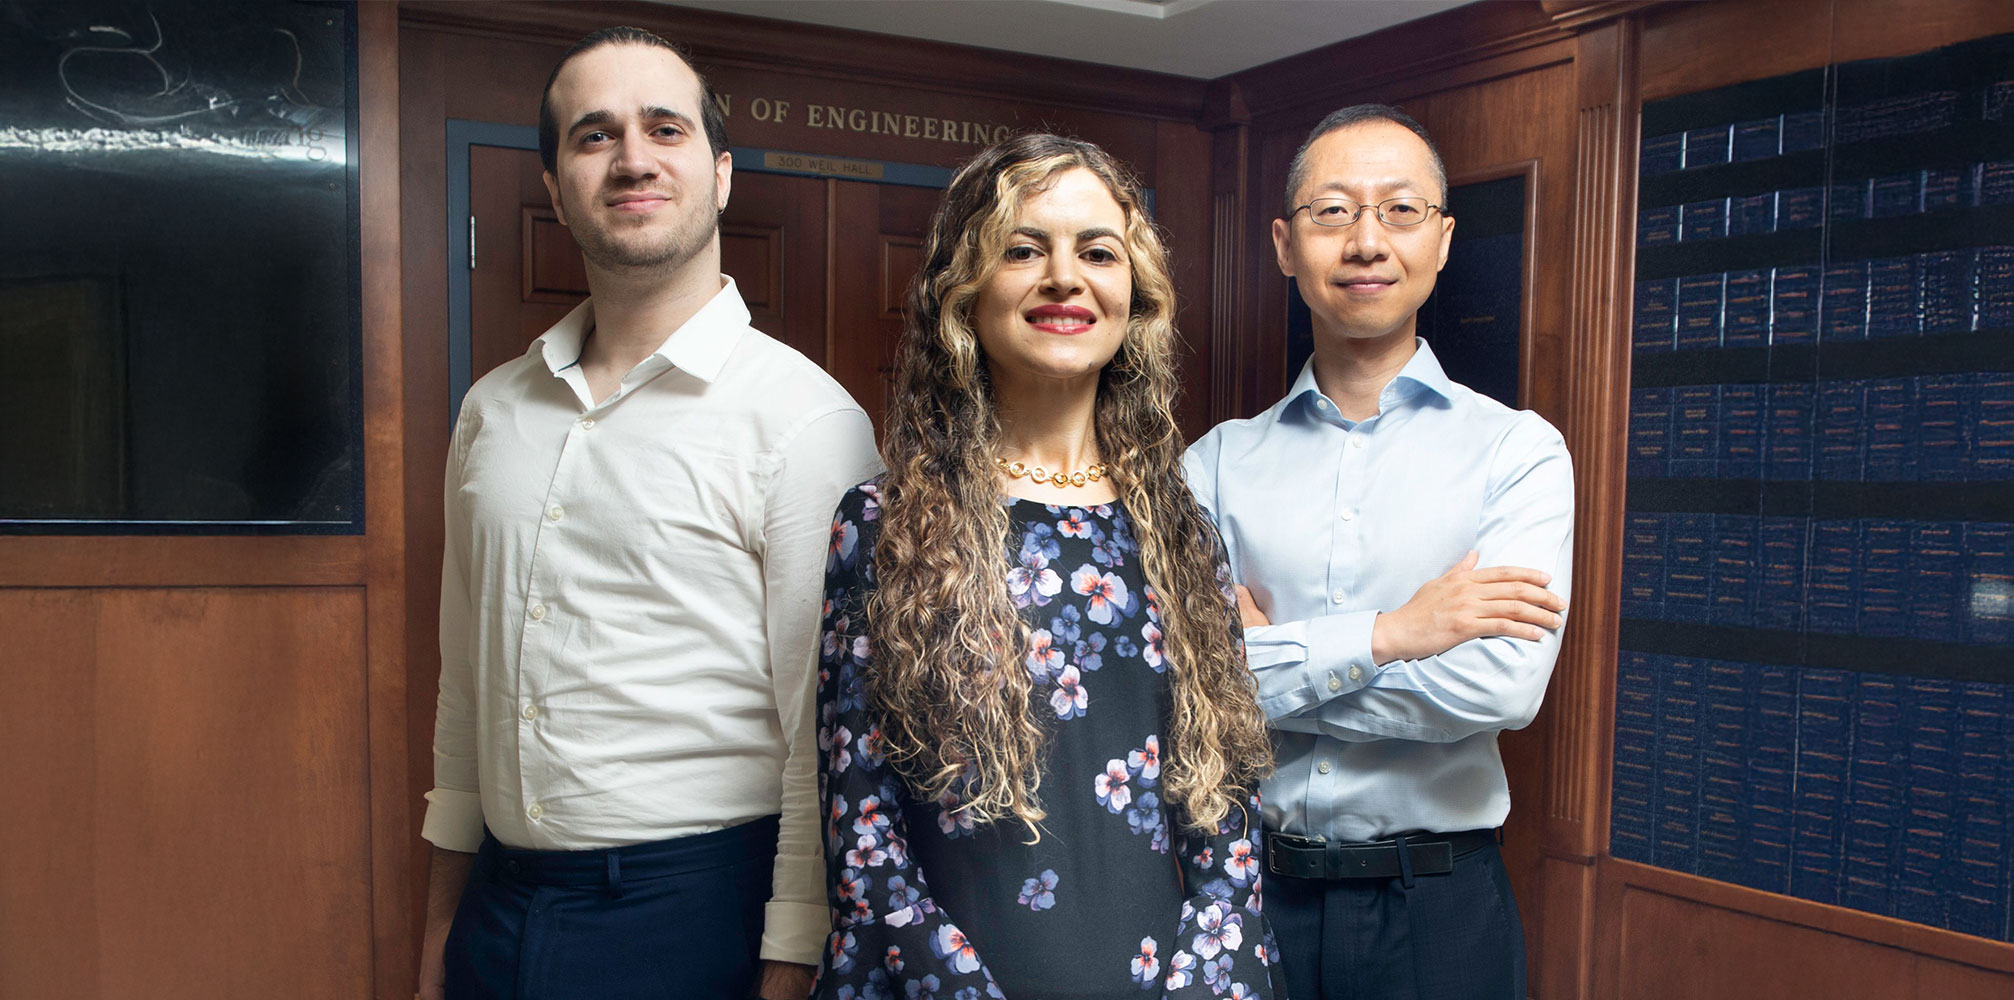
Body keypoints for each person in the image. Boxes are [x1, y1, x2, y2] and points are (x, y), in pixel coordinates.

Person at [417, 27, 879, 1000]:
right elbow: (465, 700)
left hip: (696, 914)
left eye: (663, 129)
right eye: (594, 135)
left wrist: (789, 968)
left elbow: (826, 745)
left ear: (717, 175)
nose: (631, 157)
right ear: (554, 187)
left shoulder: (805, 421)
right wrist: (438, 945)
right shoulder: (490, 412)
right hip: (497, 910)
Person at [812, 133, 1287, 999]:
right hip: (948, 981)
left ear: (1131, 295)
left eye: (1097, 252)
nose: (1065, 277)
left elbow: (1227, 805)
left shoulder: (1182, 529)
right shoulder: (883, 525)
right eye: (1024, 249)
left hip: (1166, 978)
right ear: (964, 291)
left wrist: (1202, 977)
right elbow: (862, 825)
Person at [1183, 104, 1575, 1000]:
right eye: (1333, 212)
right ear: (1285, 245)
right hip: (1252, 898)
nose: (1366, 241)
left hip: (1439, 906)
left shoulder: (1516, 453)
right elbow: (1190, 687)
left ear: (1440, 241)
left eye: (1400, 211)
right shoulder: (1212, 466)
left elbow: (1500, 690)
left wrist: (1272, 668)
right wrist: (1397, 634)